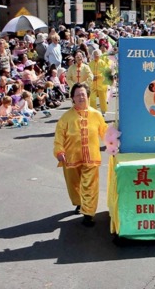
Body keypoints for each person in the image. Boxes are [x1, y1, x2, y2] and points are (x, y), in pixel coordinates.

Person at [54, 83, 108, 227]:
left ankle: (88, 214)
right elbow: (59, 137)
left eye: (83, 94)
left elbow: (105, 131)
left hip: (92, 157)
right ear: (72, 98)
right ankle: (79, 202)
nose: (81, 97)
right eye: (77, 95)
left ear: (88, 96)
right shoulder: (66, 118)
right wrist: (59, 151)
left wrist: (114, 143)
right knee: (74, 184)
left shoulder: (96, 115)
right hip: (71, 158)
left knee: (90, 185)